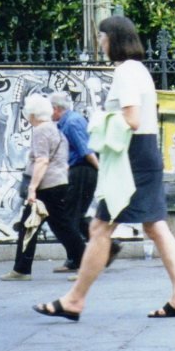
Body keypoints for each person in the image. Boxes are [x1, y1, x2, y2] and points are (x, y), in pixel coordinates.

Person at [32, 15, 175, 321]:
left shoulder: (126, 73)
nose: (101, 44)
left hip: (132, 158)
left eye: (102, 38)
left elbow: (131, 119)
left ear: (114, 39)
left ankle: (74, 300)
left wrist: (98, 120)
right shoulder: (139, 71)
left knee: (100, 227)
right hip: (144, 154)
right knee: (154, 226)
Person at [0, 94, 87, 281]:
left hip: (46, 187)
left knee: (45, 227)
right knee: (57, 226)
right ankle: (22, 268)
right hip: (58, 183)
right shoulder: (56, 130)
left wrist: (32, 188)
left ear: (32, 114)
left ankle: (22, 270)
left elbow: (42, 160)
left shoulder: (40, 131)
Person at [49, 91, 123, 273]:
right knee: (76, 215)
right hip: (80, 170)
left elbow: (86, 151)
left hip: (82, 171)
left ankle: (78, 259)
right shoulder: (67, 121)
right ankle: (108, 246)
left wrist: (101, 171)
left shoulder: (72, 122)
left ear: (56, 108)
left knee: (69, 217)